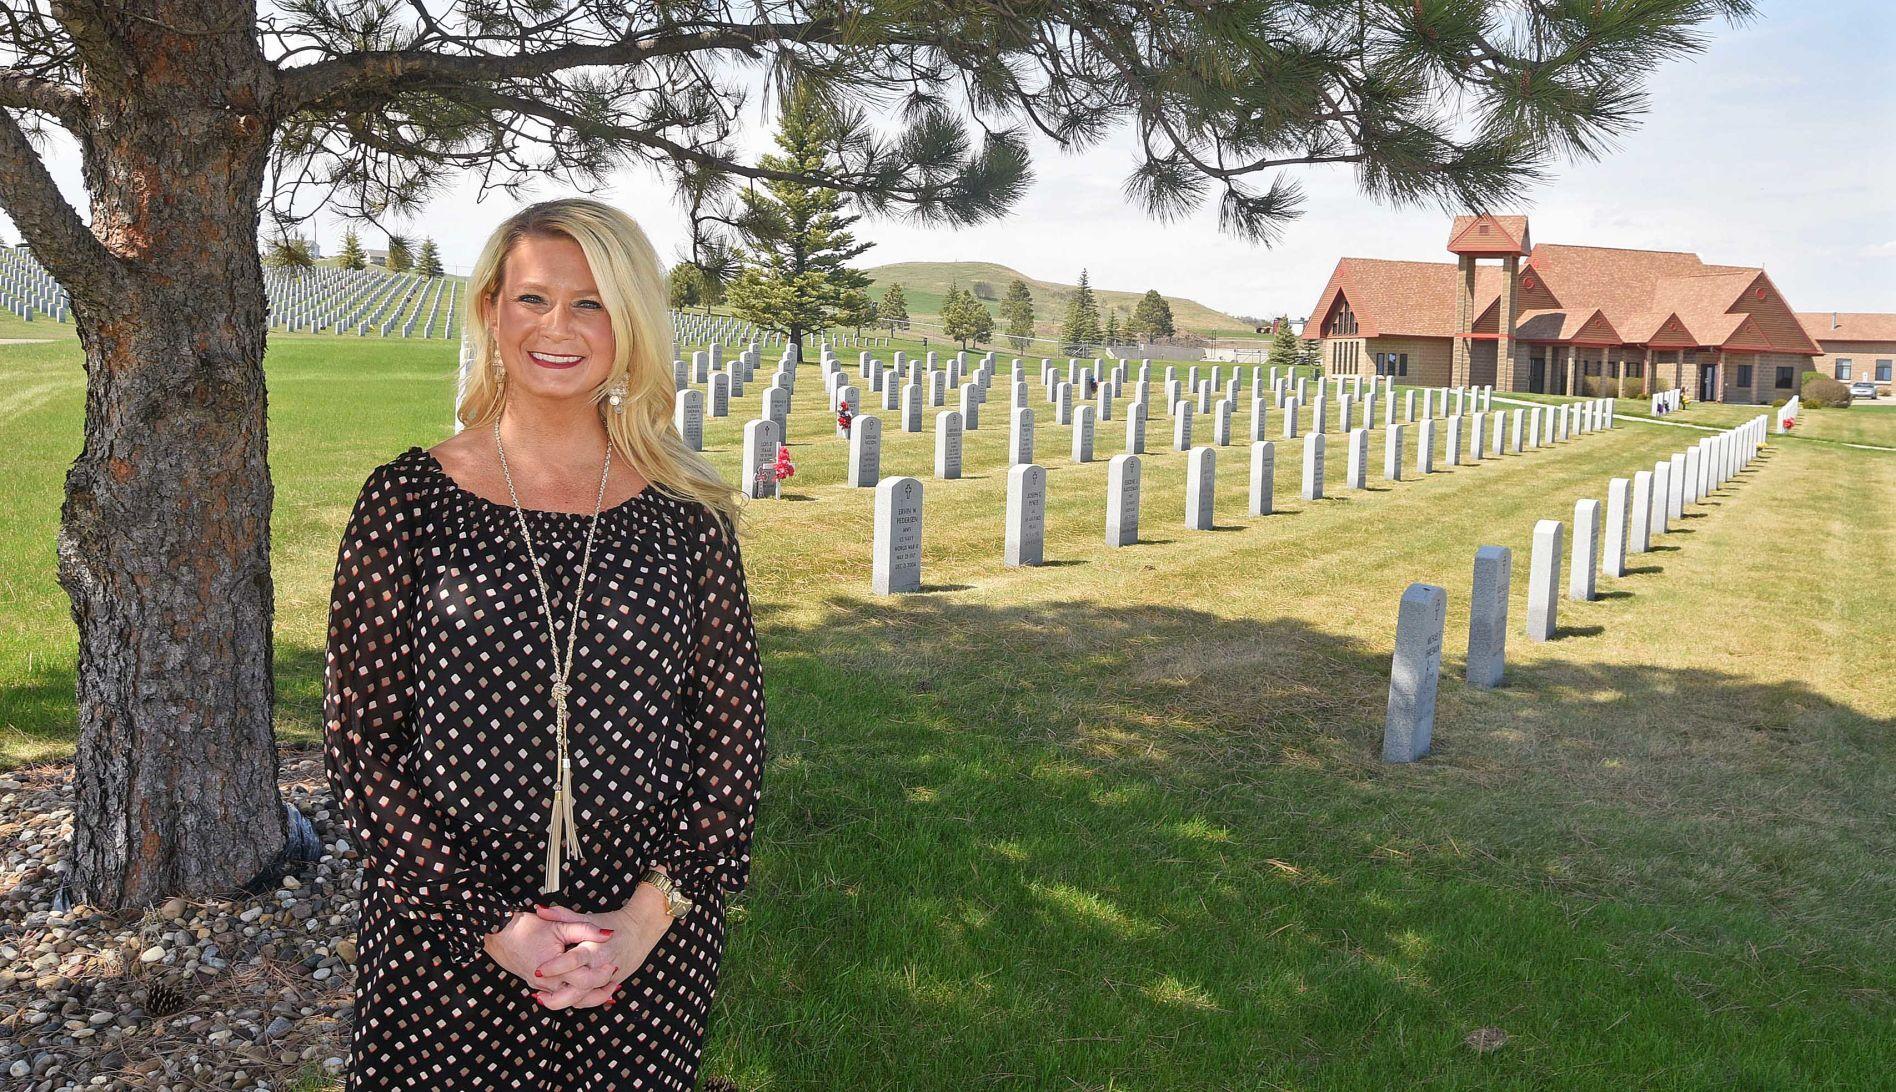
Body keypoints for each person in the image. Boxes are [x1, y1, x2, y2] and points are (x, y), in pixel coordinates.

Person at [323, 197, 766, 1090]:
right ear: (491, 310)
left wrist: (642, 922)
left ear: (630, 322)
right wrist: (499, 927)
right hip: (443, 940)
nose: (559, 327)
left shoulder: (687, 517)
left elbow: (733, 739)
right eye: (533, 299)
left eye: (591, 302)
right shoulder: (407, 502)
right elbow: (361, 745)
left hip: (640, 950)